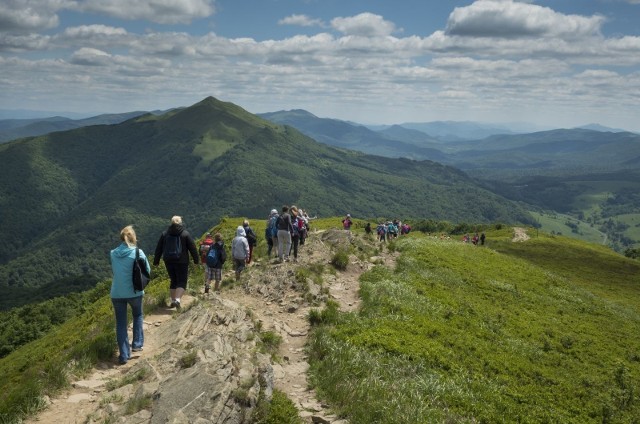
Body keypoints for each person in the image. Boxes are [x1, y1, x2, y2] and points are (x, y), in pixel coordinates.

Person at [110, 225, 149, 365]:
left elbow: (115, 270)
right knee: (137, 315)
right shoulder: (138, 252)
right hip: (135, 291)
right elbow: (147, 271)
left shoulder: (113, 253)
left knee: (121, 323)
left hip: (117, 293)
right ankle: (137, 345)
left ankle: (124, 355)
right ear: (133, 237)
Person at [153, 216, 199, 309]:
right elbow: (192, 248)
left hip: (168, 260)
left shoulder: (165, 234)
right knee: (182, 281)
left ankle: (173, 301)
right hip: (182, 261)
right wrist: (196, 260)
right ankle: (177, 300)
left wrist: (156, 261)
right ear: (180, 223)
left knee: (173, 280)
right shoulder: (185, 234)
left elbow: (159, 248)